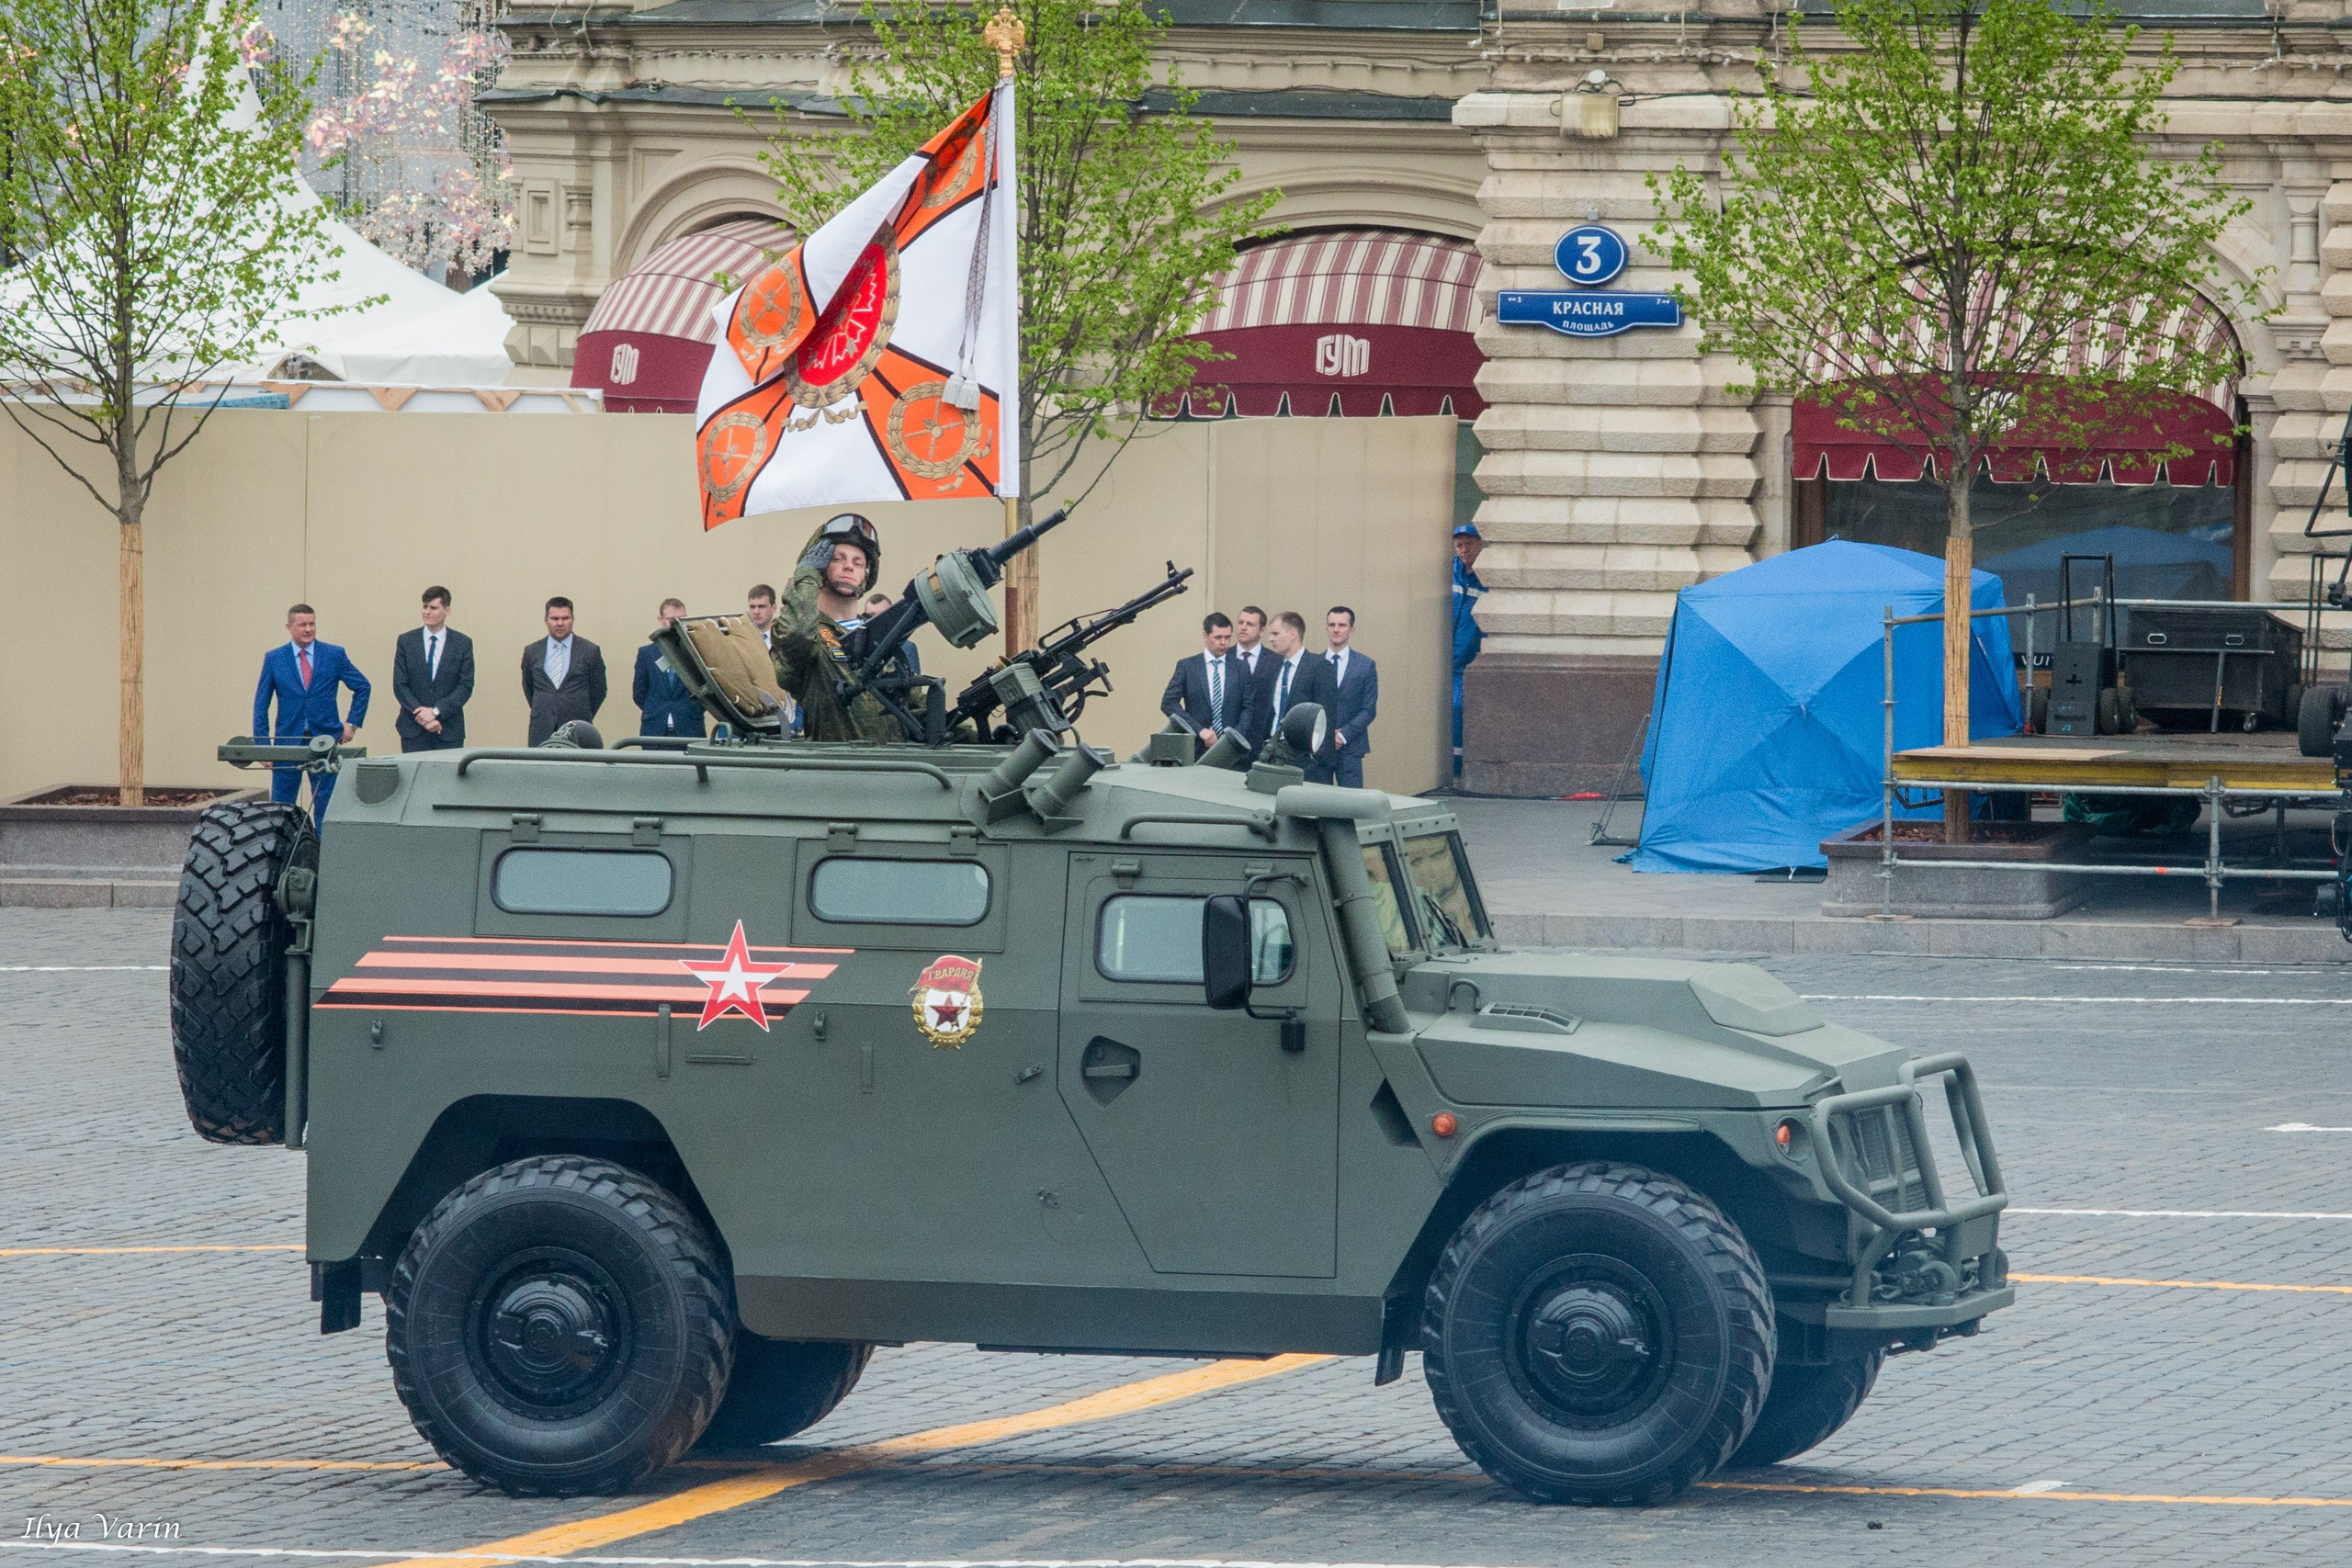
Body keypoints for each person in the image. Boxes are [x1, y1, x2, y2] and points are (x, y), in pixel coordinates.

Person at [771, 513, 905, 742]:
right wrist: (806, 576)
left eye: (858, 562)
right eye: (837, 559)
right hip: (839, 769)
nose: (849, 567)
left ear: (866, 574)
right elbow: (796, 634)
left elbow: (912, 706)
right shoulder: (811, 633)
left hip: (894, 770)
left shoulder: (880, 634)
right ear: (819, 567)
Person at [253, 604, 370, 829]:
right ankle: (282, 858)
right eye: (303, 624)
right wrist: (262, 745)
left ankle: (324, 859)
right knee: (281, 806)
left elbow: (363, 686)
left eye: (312, 624)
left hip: (325, 740)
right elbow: (261, 704)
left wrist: (352, 724)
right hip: (287, 741)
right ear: (289, 627)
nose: (308, 629)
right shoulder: (274, 658)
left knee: (327, 805)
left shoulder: (334, 654)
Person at [391, 586, 474, 753]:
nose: (427, 612)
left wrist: (437, 711)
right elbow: (400, 684)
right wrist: (423, 716)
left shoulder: (462, 643)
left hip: (448, 729)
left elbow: (465, 686)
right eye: (425, 607)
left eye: (433, 608)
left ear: (447, 610)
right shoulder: (407, 641)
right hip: (413, 729)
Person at [1161, 611, 1252, 754]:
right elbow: (1168, 703)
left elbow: (1249, 708)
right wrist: (1199, 730)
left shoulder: (1241, 667)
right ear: (1205, 636)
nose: (1223, 643)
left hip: (1230, 749)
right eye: (1218, 637)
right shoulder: (1188, 666)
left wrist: (1234, 737)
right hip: (1195, 747)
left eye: (1227, 637)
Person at [521, 597, 607, 746]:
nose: (560, 623)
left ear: (572, 619)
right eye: (554, 618)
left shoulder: (590, 651)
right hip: (541, 728)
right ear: (546, 620)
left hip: (577, 728)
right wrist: (546, 707)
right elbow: (529, 688)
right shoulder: (532, 651)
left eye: (565, 618)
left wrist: (580, 712)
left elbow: (599, 690)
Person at [1261, 610, 1336, 769]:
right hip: (1274, 752)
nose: (1270, 639)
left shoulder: (1319, 667)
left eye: (1275, 633)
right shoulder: (1274, 667)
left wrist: (1316, 759)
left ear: (1293, 634)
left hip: (1305, 759)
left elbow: (1326, 717)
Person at [1320, 605, 1378, 789]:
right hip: (1320, 746)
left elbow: (1368, 709)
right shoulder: (1315, 664)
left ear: (1351, 630)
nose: (1336, 629)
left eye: (1342, 625)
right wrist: (1324, 735)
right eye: (1332, 625)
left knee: (1351, 802)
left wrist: (1343, 735)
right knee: (1317, 801)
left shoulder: (1365, 665)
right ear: (1326, 628)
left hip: (1351, 746)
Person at [634, 598, 706, 739]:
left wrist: (691, 710)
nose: (676, 624)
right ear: (661, 620)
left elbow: (705, 690)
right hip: (655, 728)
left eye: (681, 619)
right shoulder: (647, 654)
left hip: (690, 727)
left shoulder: (697, 652)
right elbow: (639, 693)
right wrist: (656, 710)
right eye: (671, 620)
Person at [1451, 523, 1487, 777]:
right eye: (1460, 545)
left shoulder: (1486, 578)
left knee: (1458, 709)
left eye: (1469, 544)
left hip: (1466, 664)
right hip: (1444, 662)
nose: (1464, 550)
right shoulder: (1450, 572)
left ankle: (1458, 768)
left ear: (1480, 544)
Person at [1231, 605, 1276, 757]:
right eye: (1240, 622)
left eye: (1250, 624)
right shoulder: (1224, 658)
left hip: (1263, 743)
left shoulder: (1276, 661)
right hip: (1228, 741)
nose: (1243, 627)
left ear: (1262, 631)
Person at [746, 584, 779, 651]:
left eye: (761, 607)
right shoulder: (743, 638)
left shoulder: (782, 638)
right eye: (752, 607)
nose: (756, 612)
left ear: (774, 608)